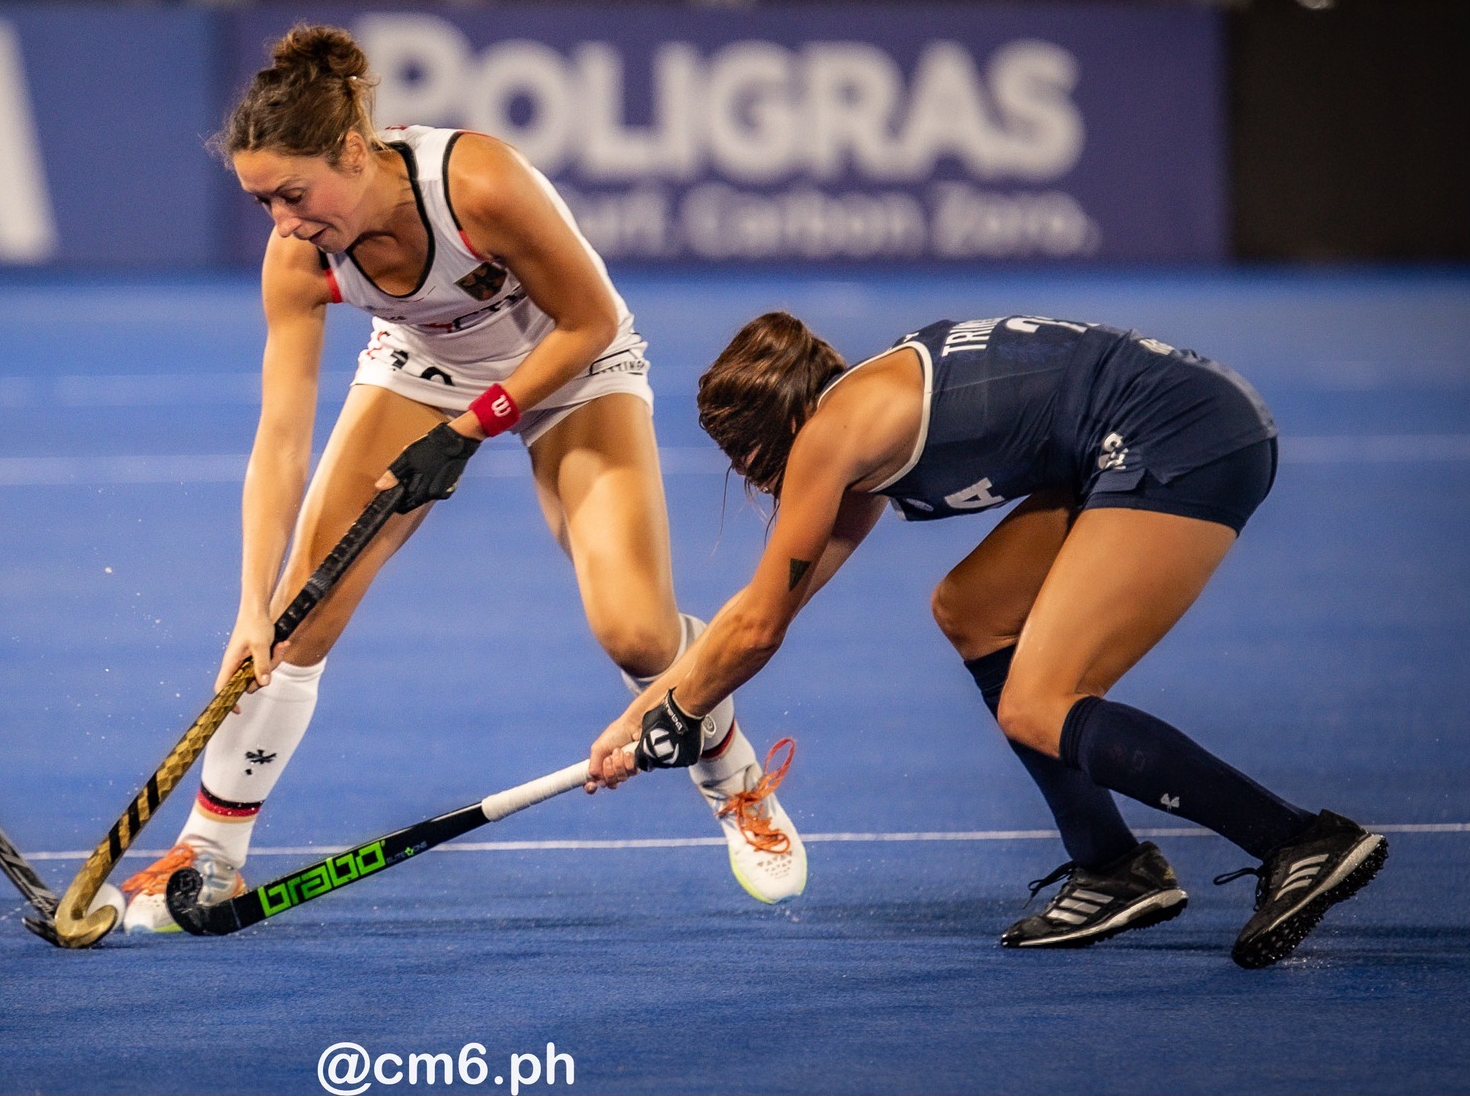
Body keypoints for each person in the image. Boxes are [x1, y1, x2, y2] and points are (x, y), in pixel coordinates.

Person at [117, 24, 804, 932]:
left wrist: (477, 425)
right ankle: (208, 855)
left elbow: (590, 319)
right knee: (292, 625)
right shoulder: (299, 260)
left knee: (634, 628)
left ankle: (733, 772)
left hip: (571, 363)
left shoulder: (476, 184)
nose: (282, 224)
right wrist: (253, 607)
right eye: (262, 204)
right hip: (420, 367)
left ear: (353, 152)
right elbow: (280, 441)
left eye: (291, 193)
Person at [585, 310, 1389, 969]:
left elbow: (757, 631)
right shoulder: (857, 425)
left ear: (774, 433)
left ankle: (1297, 840)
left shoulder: (831, 437)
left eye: (746, 457)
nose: (756, 478)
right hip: (1156, 428)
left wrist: (680, 717)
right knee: (971, 607)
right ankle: (1112, 864)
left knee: (1038, 704)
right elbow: (758, 613)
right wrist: (639, 719)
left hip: (1176, 437)